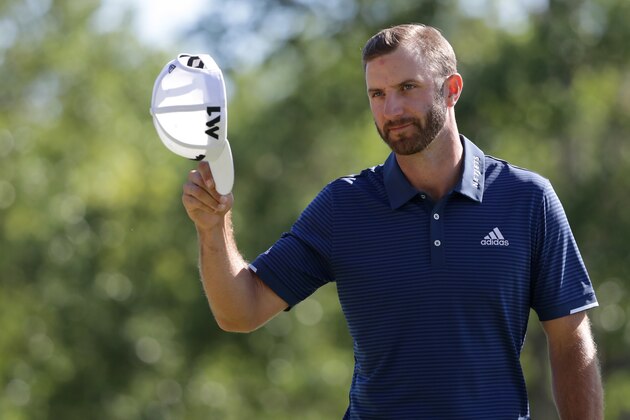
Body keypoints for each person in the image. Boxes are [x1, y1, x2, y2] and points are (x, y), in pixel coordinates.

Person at [182, 23, 603, 419]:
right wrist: (212, 226)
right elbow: (240, 312)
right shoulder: (343, 206)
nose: (392, 108)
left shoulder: (526, 200)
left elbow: (570, 340)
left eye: (407, 88)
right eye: (377, 94)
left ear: (451, 89)